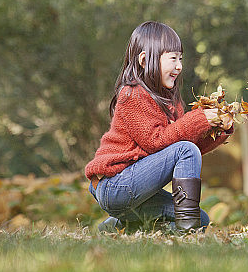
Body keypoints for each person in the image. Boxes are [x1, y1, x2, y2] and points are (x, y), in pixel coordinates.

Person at [85, 21, 233, 233]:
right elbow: (156, 142)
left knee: (200, 217)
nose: (179, 66)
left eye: (180, 59)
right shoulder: (132, 94)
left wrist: (216, 129)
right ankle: (187, 233)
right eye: (173, 58)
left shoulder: (169, 102)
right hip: (114, 186)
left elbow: (186, 149)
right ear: (145, 60)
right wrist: (198, 120)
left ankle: (124, 226)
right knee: (188, 214)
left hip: (135, 194)